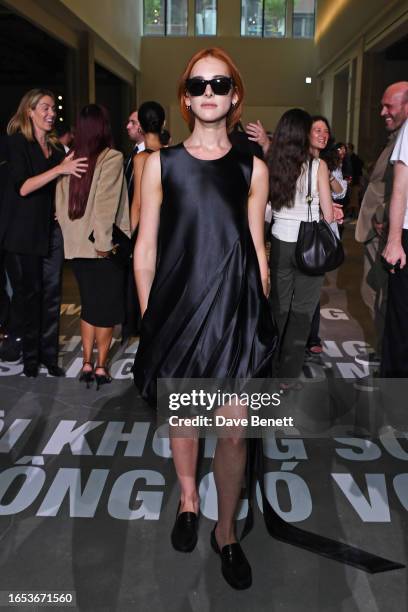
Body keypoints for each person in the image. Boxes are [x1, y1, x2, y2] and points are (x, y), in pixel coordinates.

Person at [132, 47, 276, 590]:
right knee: (187, 419)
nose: (209, 92)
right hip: (179, 310)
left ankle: (226, 530)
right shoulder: (159, 165)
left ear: (235, 94)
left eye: (220, 83)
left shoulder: (252, 168)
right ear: (185, 97)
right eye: (198, 85)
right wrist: (151, 320)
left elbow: (258, 248)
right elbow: (145, 250)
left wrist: (259, 314)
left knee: (234, 433)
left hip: (236, 313)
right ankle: (188, 498)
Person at [0, 88, 87, 377]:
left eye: (53, 108)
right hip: (22, 233)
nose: (52, 114)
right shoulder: (16, 143)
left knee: (52, 294)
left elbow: (58, 187)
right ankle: (30, 360)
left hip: (50, 230)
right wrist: (59, 169)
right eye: (46, 108)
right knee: (30, 295)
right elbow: (23, 187)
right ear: (30, 111)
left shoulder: (52, 146)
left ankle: (49, 357)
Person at [56, 104, 130, 388]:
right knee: (107, 310)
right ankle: (100, 366)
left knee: (90, 306)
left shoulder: (71, 159)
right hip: (101, 247)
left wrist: (73, 237)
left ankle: (86, 362)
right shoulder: (111, 157)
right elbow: (105, 206)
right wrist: (104, 245)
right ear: (103, 127)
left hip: (76, 249)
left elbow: (60, 207)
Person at [268, 109, 335, 385]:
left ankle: (268, 366)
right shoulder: (318, 167)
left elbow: (265, 210)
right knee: (302, 311)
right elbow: (328, 215)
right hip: (309, 246)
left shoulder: (271, 163)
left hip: (280, 242)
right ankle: (287, 376)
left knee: (278, 308)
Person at [355, 81, 408, 369]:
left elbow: (401, 189)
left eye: (389, 106)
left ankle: (389, 355)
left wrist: (386, 218)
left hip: (389, 233)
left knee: (386, 300)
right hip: (379, 232)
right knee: (373, 294)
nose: (382, 112)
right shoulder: (394, 138)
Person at [306, 116, 347, 356]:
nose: (323, 134)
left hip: (320, 234)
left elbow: (340, 192)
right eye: (317, 130)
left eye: (326, 131)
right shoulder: (295, 159)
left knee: (313, 285)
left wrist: (326, 172)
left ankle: (312, 336)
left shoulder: (329, 163)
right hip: (296, 231)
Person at [382, 106, 408, 377]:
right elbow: (400, 186)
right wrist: (394, 239)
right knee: (402, 324)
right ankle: (396, 407)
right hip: (407, 235)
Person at [122, 109, 146, 343]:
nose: (127, 126)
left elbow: (138, 201)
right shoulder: (131, 155)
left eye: (132, 122)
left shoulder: (149, 157)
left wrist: (131, 232)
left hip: (141, 229)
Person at [130, 101, 165, 233]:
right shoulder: (172, 156)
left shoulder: (141, 158)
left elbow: (138, 204)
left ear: (140, 128)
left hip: (149, 228)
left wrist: (133, 242)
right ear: (163, 124)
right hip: (169, 228)